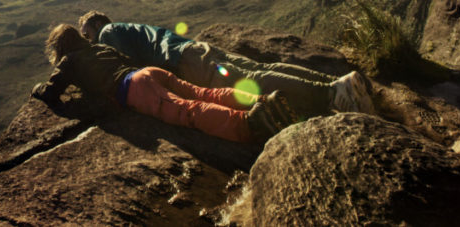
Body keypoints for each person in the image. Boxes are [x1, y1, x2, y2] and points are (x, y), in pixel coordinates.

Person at [31, 23, 297, 144]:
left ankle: (249, 124)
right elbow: (125, 58)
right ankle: (261, 102)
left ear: (59, 47)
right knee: (204, 93)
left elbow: (51, 92)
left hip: (132, 87)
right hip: (148, 73)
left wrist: (38, 89)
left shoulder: (70, 61)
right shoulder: (99, 49)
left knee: (187, 111)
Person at [77, 11, 373, 118]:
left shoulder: (107, 34)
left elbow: (127, 66)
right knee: (258, 72)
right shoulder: (128, 27)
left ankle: (332, 94)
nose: (91, 42)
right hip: (194, 48)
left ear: (96, 25)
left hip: (187, 62)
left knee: (252, 83)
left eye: (87, 35)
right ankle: (335, 84)